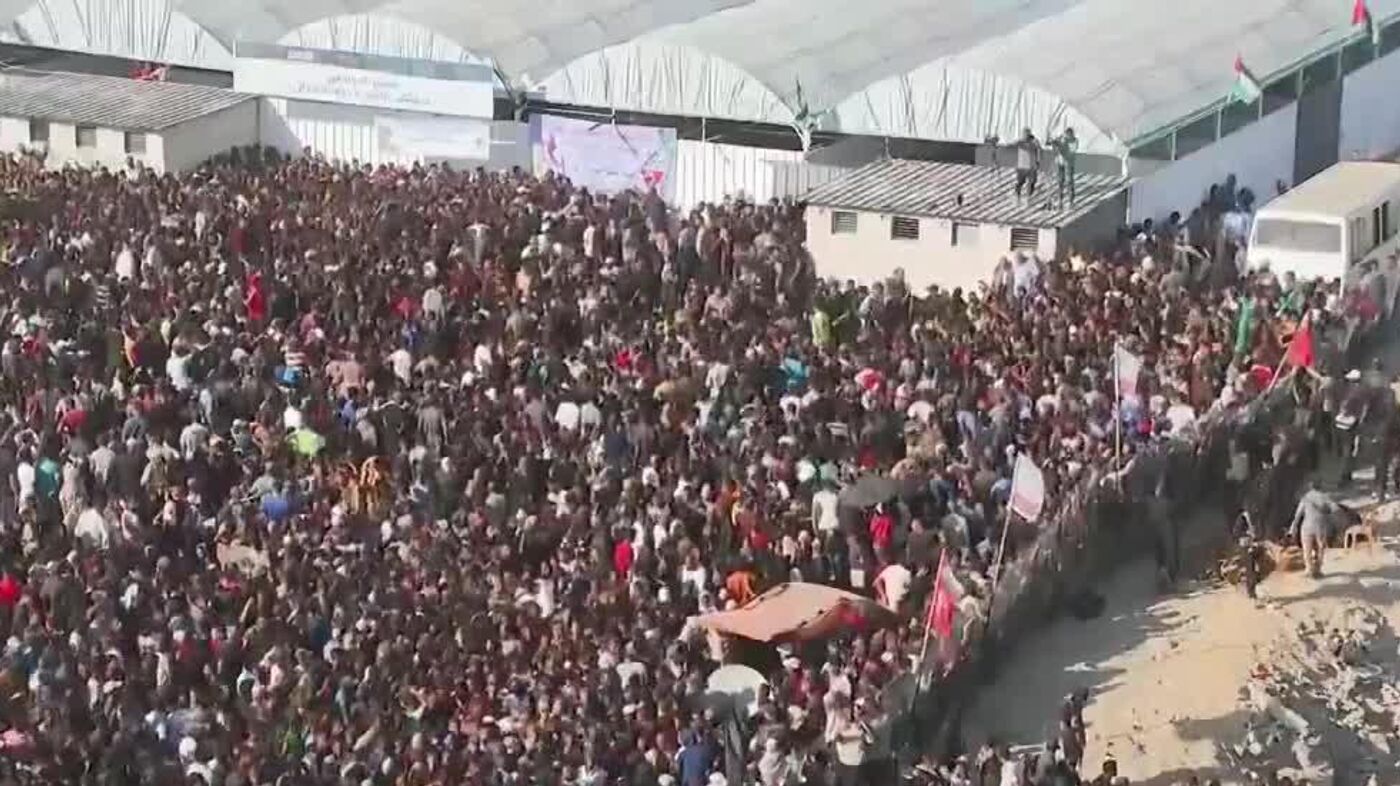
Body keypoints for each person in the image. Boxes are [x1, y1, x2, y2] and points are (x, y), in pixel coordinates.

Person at [1291, 482, 1340, 579]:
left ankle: (1309, 570)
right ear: (1320, 486)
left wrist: (1294, 526)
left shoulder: (1306, 498)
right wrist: (1327, 514)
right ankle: (1318, 570)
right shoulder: (1324, 497)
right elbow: (1335, 508)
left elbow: (1298, 514)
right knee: (1320, 548)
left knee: (1307, 549)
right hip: (1320, 527)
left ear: (1310, 487)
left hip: (1307, 527)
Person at [1053, 128, 1079, 206]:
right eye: (1066, 135)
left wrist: (1061, 147)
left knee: (1069, 181)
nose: (1067, 136)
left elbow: (1071, 151)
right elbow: (1056, 150)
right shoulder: (1063, 140)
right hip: (1060, 163)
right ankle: (1060, 198)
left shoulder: (1074, 141)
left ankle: (1071, 200)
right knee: (1060, 181)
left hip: (1068, 164)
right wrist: (1055, 144)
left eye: (1069, 135)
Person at [1015, 129, 1041, 203]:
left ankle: (1028, 197)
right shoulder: (1020, 142)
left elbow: (1038, 150)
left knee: (1032, 182)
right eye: (1025, 134)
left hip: (1031, 166)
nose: (1026, 136)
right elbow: (1012, 144)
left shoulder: (1034, 142)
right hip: (1022, 166)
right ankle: (1017, 196)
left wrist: (1037, 162)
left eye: (1027, 134)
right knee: (1020, 182)